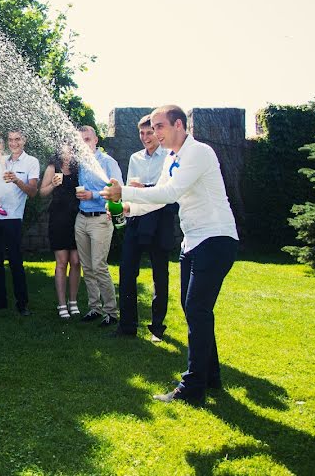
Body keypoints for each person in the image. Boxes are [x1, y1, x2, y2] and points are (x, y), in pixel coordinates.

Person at [101, 105, 238, 406]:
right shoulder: (173, 158)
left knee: (197, 309)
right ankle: (210, 376)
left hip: (216, 238)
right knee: (194, 310)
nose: (155, 133)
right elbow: (158, 198)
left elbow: (170, 193)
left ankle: (192, 388)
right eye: (153, 127)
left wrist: (124, 192)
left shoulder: (199, 152)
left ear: (179, 124)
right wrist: (127, 210)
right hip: (193, 241)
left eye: (160, 126)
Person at [113, 115, 177, 341]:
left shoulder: (170, 157)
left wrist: (144, 187)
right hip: (137, 219)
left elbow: (168, 189)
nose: (145, 137)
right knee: (127, 271)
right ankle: (127, 326)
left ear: (158, 133)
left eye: (149, 132)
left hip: (161, 220)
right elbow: (131, 188)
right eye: (141, 133)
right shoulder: (134, 158)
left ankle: (157, 328)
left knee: (160, 274)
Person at [0, 129, 40, 315]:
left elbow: (32, 192)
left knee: (15, 261)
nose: (14, 143)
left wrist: (17, 180)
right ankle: (0, 299)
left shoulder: (31, 162)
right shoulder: (2, 159)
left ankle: (22, 303)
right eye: (10, 140)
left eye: (17, 139)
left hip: (13, 219)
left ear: (24, 140)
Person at [74, 125, 123, 327]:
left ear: (95, 141)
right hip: (82, 217)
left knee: (99, 266)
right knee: (87, 267)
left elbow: (118, 189)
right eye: (80, 140)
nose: (84, 143)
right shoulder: (82, 163)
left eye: (87, 139)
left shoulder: (108, 162)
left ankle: (111, 311)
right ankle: (95, 308)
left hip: (101, 219)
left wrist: (92, 195)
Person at [39, 146, 81, 320]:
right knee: (62, 262)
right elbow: (41, 193)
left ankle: (73, 302)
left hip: (77, 218)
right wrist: (52, 184)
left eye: (71, 148)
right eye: (64, 148)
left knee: (76, 261)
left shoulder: (79, 168)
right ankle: (62, 304)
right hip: (58, 219)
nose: (67, 151)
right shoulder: (52, 167)